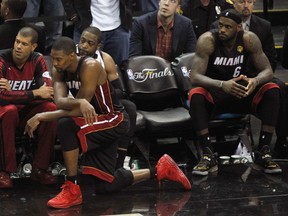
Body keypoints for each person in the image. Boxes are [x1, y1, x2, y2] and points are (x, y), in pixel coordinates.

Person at [24, 36, 191, 208]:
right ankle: (160, 170)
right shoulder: (59, 70)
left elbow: (77, 109)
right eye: (54, 58)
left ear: (72, 56)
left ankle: (72, 188)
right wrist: (80, 102)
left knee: (66, 125)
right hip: (95, 121)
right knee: (105, 186)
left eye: (59, 59)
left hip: (114, 119)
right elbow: (59, 101)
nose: (55, 63)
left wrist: (42, 116)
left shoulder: (90, 66)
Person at [188, 9, 282, 176]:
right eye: (220, 25)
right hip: (217, 93)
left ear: (239, 28)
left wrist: (255, 81)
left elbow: (267, 70)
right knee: (195, 94)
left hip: (241, 92)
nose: (222, 30)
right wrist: (222, 84)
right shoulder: (208, 40)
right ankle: (208, 153)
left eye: (228, 27)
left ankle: (263, 151)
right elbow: (194, 76)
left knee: (272, 89)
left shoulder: (249, 39)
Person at [211, 0, 287, 158]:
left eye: (250, 1)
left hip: (254, 77)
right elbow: (214, 61)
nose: (246, 5)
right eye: (241, 1)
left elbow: (271, 61)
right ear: (233, 3)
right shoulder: (219, 25)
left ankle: (281, 140)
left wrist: (256, 79)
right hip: (228, 77)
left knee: (278, 87)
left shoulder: (264, 26)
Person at [0, 27, 57, 189]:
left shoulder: (38, 60)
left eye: (24, 44)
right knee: (9, 110)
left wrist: (15, 92)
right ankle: (5, 171)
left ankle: (40, 169)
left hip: (25, 110)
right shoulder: (2, 59)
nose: (18, 46)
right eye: (17, 41)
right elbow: (1, 98)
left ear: (33, 47)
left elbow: (47, 92)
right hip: (5, 112)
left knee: (50, 109)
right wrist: (33, 93)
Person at [77, 26, 137, 169]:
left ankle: (120, 161)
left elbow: (119, 90)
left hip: (101, 101)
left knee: (129, 108)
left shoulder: (106, 59)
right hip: (79, 100)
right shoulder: (71, 56)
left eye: (90, 43)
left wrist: (99, 89)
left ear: (98, 46)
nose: (84, 46)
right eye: (82, 41)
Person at [129, 0, 197, 62]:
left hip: (174, 71)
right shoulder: (140, 24)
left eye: (172, 1)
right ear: (159, 2)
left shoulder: (186, 24)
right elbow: (134, 59)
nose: (166, 3)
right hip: (148, 70)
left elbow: (191, 56)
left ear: (178, 8)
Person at [89, 0, 133, 66]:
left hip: (119, 27)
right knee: (87, 67)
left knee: (121, 68)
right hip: (88, 28)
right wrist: (73, 16)